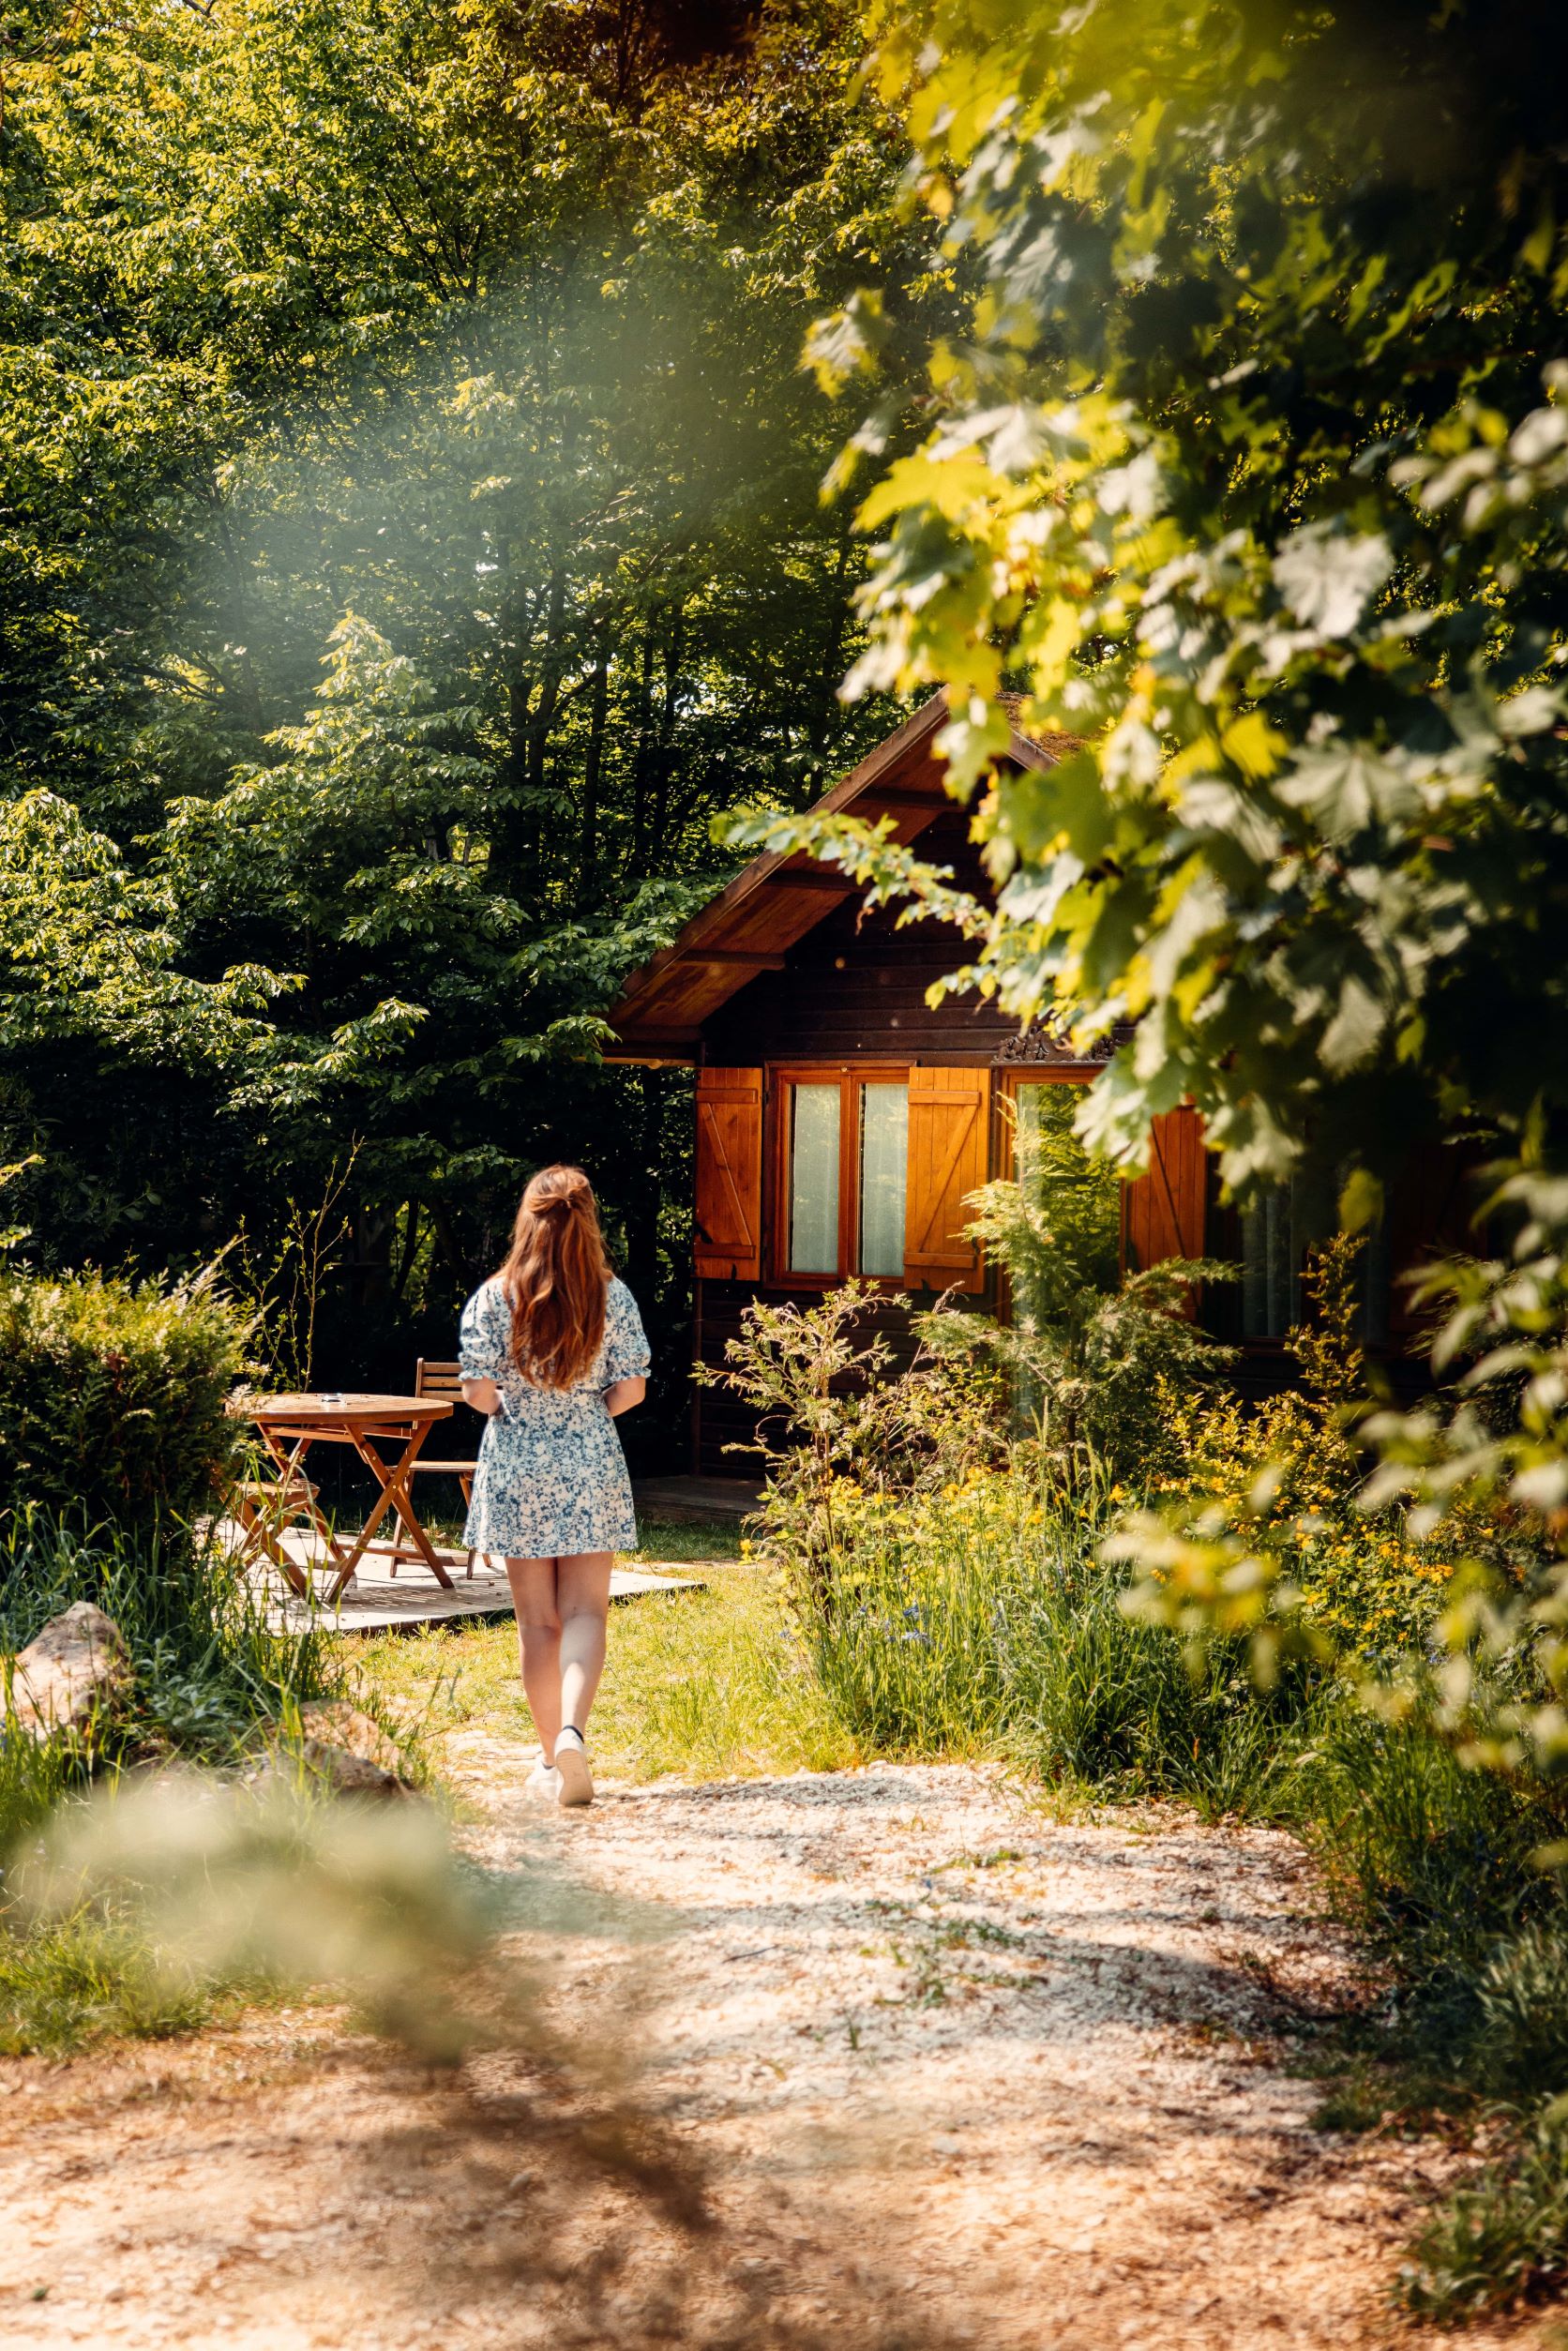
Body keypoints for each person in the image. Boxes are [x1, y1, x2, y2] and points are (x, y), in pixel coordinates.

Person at [458, 1166, 648, 1808]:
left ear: (528, 1218)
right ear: (588, 1219)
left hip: (517, 1463)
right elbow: (632, 1388)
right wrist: (583, 1414)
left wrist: (517, 1407)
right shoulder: (611, 1297)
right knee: (587, 1612)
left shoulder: (493, 1297)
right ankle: (573, 1732)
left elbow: (479, 1391)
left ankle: (549, 1759)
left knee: (538, 1621)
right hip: (589, 1460)